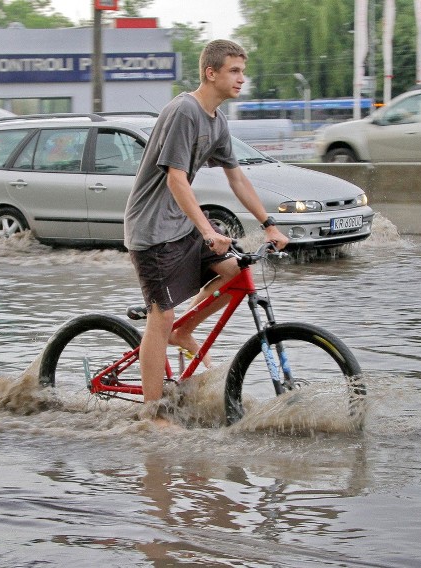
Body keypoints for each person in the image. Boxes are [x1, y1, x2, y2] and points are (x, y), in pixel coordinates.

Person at [123, 39, 289, 423]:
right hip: (151, 229)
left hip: (182, 224)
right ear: (210, 73)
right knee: (160, 317)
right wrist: (208, 229)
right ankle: (154, 417)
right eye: (234, 71)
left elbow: (238, 179)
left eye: (242, 71)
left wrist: (269, 224)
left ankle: (186, 332)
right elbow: (176, 179)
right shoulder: (184, 111)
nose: (241, 79)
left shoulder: (217, 120)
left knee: (235, 274)